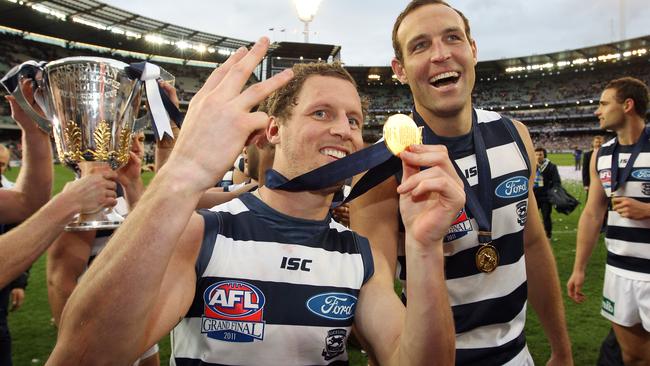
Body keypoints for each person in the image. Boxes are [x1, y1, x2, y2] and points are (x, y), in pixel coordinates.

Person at [49, 39, 463, 365]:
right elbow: (86, 357)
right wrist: (181, 174)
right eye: (321, 113)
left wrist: (425, 249)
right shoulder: (204, 233)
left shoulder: (360, 255)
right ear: (274, 129)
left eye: (353, 120)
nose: (344, 131)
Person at [350, 1, 573, 364]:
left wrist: (561, 348)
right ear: (400, 70)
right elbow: (375, 291)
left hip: (518, 353)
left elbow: (531, 244)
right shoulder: (381, 167)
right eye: (420, 45)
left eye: (452, 38)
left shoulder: (514, 135)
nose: (440, 54)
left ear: (472, 50)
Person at [46, 132, 160, 366]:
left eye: (140, 139)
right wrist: (75, 347)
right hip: (97, 339)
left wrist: (134, 184)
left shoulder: (129, 188)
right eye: (129, 139)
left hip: (136, 320)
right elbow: (60, 281)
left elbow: (149, 248)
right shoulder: (82, 198)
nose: (139, 147)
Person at [567, 77, 650, 365]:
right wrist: (579, 268)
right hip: (619, 270)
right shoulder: (601, 155)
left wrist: (647, 211)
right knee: (632, 357)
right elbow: (592, 213)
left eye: (603, 103)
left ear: (627, 105)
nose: (597, 110)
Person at [533, 147, 561, 239]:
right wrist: (535, 167)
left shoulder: (551, 166)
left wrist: (554, 192)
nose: (538, 157)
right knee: (532, 217)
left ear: (544, 155)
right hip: (534, 196)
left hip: (546, 196)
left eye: (540, 154)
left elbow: (557, 181)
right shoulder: (531, 165)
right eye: (536, 154)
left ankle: (548, 235)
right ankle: (534, 234)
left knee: (546, 216)